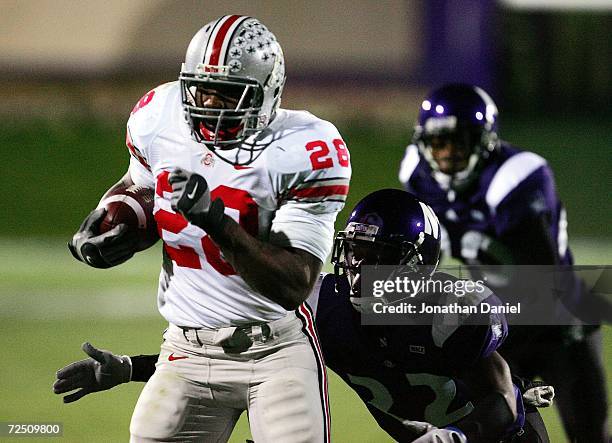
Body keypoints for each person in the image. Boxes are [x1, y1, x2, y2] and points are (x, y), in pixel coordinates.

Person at [56, 190, 553, 443]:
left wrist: (457, 438)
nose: (358, 268)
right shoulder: (322, 304)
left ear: (417, 262)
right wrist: (128, 368)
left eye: (377, 255)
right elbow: (225, 353)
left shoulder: (450, 312)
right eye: (354, 252)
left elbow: (504, 403)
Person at [66, 15, 351, 442]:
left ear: (266, 94)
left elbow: (293, 284)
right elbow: (142, 189)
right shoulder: (159, 116)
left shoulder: (306, 148)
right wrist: (116, 217)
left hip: (275, 352)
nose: (208, 105)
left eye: (226, 94)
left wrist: (216, 222)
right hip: (185, 350)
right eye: (201, 89)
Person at [398, 83, 608, 442]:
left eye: (460, 141)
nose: (448, 154)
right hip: (503, 322)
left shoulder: (518, 176)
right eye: (438, 142)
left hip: (560, 325)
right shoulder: (416, 173)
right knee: (502, 431)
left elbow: (540, 281)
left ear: (485, 141)